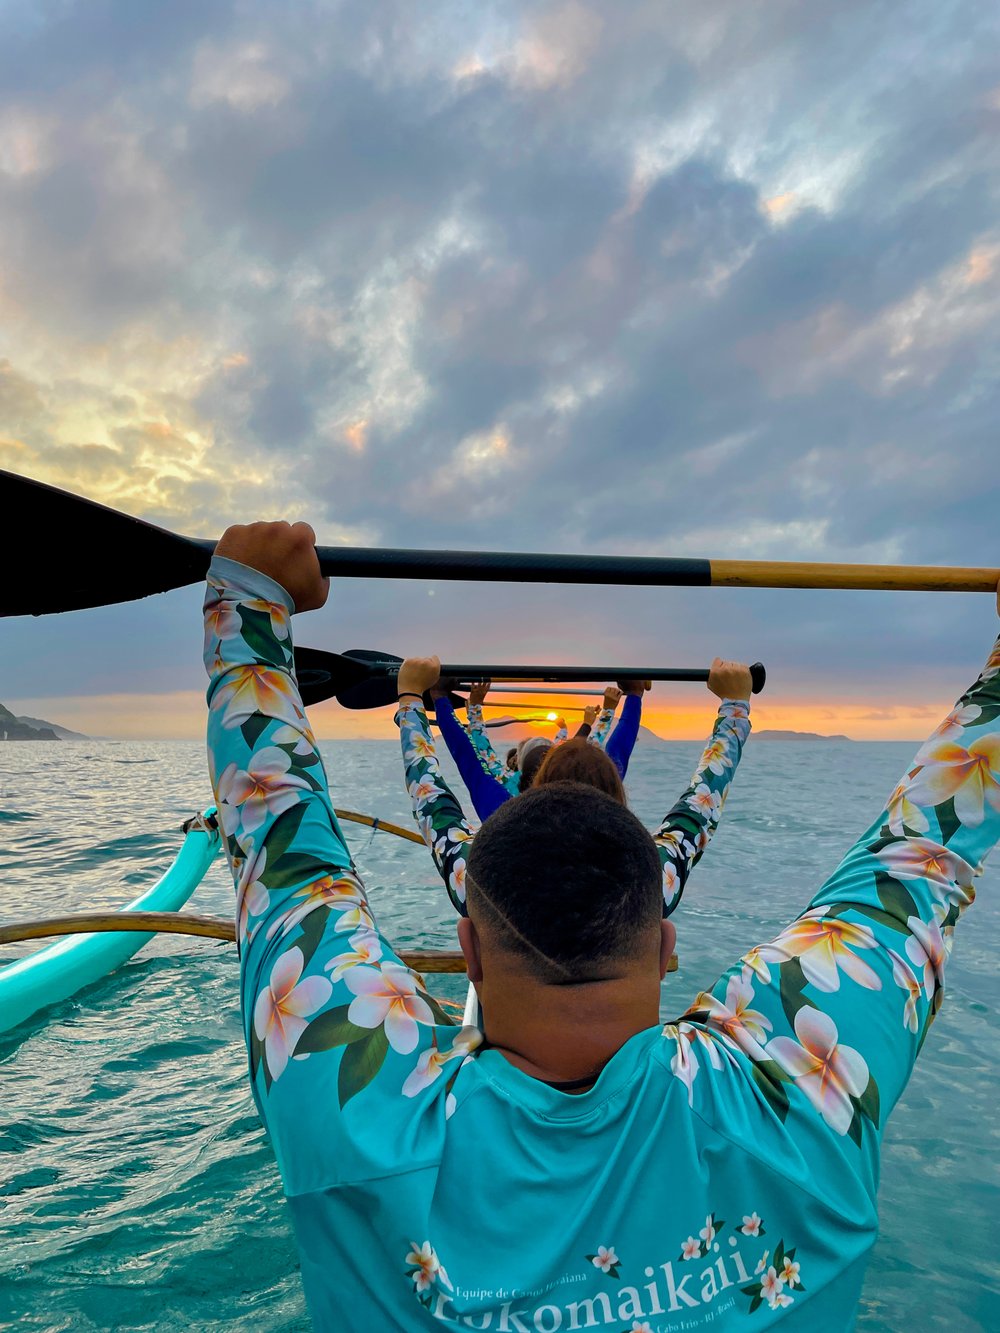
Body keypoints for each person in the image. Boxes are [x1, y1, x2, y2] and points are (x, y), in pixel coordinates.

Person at [203, 520, 1000, 1330]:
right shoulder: (806, 1072)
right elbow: (925, 850)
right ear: (665, 944)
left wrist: (259, 607)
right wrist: (733, 711)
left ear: (469, 950)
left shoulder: (355, 1093)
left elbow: (287, 849)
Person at [400, 655, 751, 919]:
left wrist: (422, 698)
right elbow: (703, 797)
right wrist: (734, 705)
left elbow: (430, 788)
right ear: (611, 796)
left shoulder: (483, 876)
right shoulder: (648, 879)